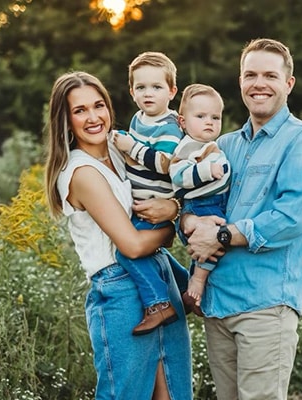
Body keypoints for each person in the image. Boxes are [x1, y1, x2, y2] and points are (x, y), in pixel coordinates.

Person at [180, 38, 302, 400]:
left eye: (269, 75)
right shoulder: (223, 145)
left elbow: (292, 218)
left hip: (266, 307)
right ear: (240, 81)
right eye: (250, 74)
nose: (258, 83)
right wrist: (187, 224)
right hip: (217, 305)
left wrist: (223, 236)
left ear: (288, 83)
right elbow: (192, 200)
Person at [44, 71, 192, 400]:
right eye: (79, 110)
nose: (94, 117)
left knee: (171, 392)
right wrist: (173, 221)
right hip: (120, 289)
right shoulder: (81, 172)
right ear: (65, 120)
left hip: (158, 278)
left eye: (99, 105)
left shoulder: (120, 149)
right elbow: (133, 245)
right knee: (125, 394)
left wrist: (174, 205)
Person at [111, 51, 189, 335]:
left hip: (156, 203)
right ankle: (184, 285)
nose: (148, 94)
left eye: (156, 87)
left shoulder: (169, 126)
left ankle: (159, 303)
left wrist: (131, 148)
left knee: (127, 250)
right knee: (150, 251)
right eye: (141, 87)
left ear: (171, 91)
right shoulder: (138, 118)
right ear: (132, 92)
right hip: (142, 202)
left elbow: (164, 164)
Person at [169, 83, 230, 309]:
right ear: (183, 122)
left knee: (211, 243)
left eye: (215, 117)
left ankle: (194, 293)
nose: (209, 122)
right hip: (202, 204)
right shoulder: (187, 147)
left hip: (213, 202)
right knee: (214, 243)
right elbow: (177, 174)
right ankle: (197, 280)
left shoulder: (209, 144)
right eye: (201, 116)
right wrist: (206, 171)